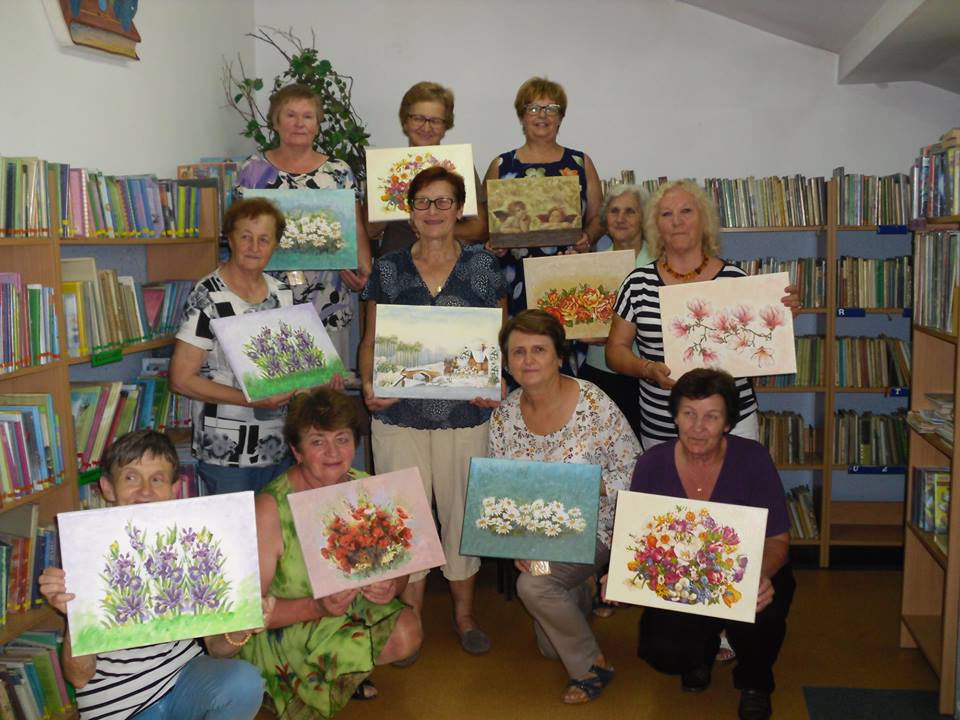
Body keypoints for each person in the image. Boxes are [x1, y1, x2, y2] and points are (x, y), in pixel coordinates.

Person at [359, 166, 507, 656]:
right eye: (423, 202)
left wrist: (496, 379)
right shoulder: (388, 268)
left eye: (444, 202)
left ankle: (465, 615)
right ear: (410, 212)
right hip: (398, 412)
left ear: (459, 209)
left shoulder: (484, 266)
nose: (433, 211)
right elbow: (371, 339)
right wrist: (369, 383)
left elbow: (499, 337)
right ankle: (413, 617)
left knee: (462, 510)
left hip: (466, 411)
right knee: (405, 515)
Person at [38, 429, 269, 720]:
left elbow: (218, 650)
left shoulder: (192, 541)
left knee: (245, 682)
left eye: (157, 479)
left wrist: (242, 628)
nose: (145, 491)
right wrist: (75, 617)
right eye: (131, 477)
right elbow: (79, 677)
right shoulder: (86, 551)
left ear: (174, 488)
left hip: (185, 680)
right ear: (108, 488)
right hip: (119, 705)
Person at [488, 309, 640, 704]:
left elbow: (636, 472)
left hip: (596, 531)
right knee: (549, 647)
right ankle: (581, 589)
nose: (528, 360)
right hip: (541, 540)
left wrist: (589, 487)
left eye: (539, 349)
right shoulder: (504, 417)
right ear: (507, 363)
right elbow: (502, 492)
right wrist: (516, 543)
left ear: (559, 356)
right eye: (518, 352)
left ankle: (591, 668)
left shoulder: (594, 404)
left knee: (534, 585)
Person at [624, 369, 794, 720]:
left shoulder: (753, 459)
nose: (698, 427)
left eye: (711, 417)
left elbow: (778, 538)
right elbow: (637, 542)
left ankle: (755, 681)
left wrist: (758, 576)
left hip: (747, 567)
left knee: (763, 609)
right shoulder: (652, 464)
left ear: (728, 423)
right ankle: (700, 653)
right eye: (689, 414)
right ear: (675, 417)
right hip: (680, 580)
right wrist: (619, 576)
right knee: (662, 650)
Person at [242, 388, 421, 718]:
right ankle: (278, 686)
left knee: (407, 630)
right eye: (317, 441)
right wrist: (316, 606)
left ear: (355, 443)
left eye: (342, 439)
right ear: (296, 451)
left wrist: (390, 587)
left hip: (344, 611)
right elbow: (250, 610)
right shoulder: (270, 507)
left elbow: (399, 568)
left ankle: (341, 678)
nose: (332, 452)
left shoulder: (366, 487)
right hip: (287, 624)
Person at [606, 179, 800, 450]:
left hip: (731, 423)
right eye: (666, 214)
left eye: (686, 211)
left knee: (734, 480)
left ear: (704, 219)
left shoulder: (736, 279)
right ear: (655, 226)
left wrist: (780, 316)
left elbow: (756, 347)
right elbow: (614, 351)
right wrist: (647, 369)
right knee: (666, 481)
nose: (677, 221)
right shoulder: (637, 283)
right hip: (664, 424)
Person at [170, 196, 311, 494]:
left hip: (279, 444)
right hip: (227, 450)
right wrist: (251, 400)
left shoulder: (283, 294)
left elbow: (294, 369)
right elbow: (181, 379)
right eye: (245, 236)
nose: (254, 247)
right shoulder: (207, 295)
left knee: (278, 525)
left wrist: (314, 382)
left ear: (275, 245)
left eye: (264, 239)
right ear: (230, 239)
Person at [237, 82, 372, 366]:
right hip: (267, 291)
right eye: (291, 115)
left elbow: (357, 227)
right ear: (275, 121)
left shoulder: (338, 172)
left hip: (329, 294)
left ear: (317, 124)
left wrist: (365, 271)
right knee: (275, 374)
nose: (299, 124)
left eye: (308, 116)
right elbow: (240, 231)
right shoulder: (252, 170)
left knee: (327, 383)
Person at [484, 76, 604, 316]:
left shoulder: (581, 162)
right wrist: (492, 245)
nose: (542, 115)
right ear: (521, 116)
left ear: (561, 117)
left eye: (551, 109)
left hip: (569, 273)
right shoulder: (500, 165)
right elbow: (483, 225)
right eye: (533, 108)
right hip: (514, 276)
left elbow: (600, 217)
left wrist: (588, 237)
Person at [366, 81, 487, 257]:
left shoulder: (460, 165)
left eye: (435, 121)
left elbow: (480, 229)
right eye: (418, 118)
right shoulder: (385, 167)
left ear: (446, 126)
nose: (426, 127)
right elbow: (370, 230)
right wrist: (389, 199)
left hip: (452, 263)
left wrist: (433, 228)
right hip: (396, 263)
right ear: (405, 122)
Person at [578, 184, 653, 441]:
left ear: (644, 218)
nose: (621, 218)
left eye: (630, 211)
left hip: (645, 375)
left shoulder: (661, 264)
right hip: (598, 373)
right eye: (614, 211)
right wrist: (579, 331)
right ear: (605, 218)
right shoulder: (589, 264)